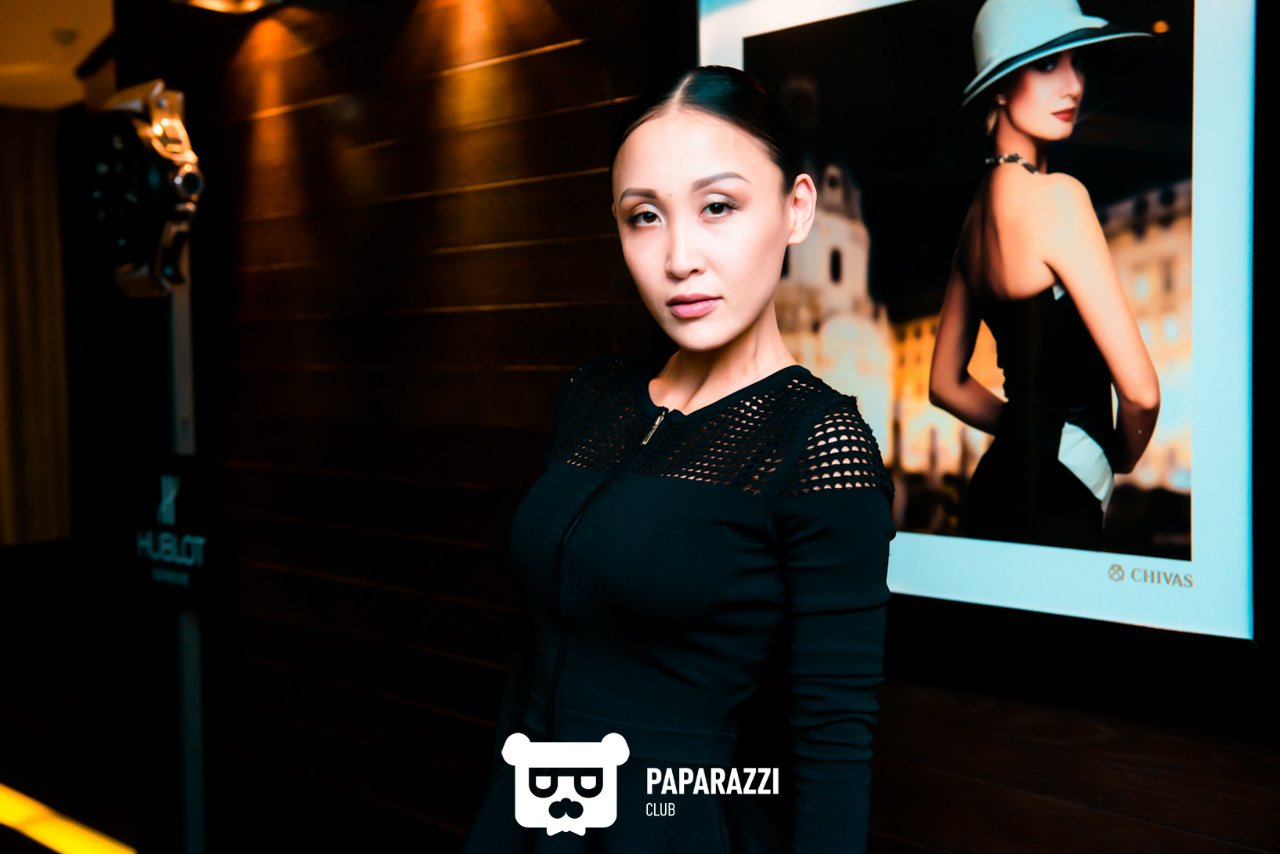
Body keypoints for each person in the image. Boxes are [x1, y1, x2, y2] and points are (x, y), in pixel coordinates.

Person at [459, 66, 895, 852]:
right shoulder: (593, 396)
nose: (679, 257)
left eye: (718, 207)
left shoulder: (818, 441)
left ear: (796, 209)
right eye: (645, 217)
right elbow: (535, 657)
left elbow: (835, 739)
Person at [929, 0, 1161, 550]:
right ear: (999, 88)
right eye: (1047, 64)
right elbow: (1142, 394)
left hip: (994, 489)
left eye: (1077, 63)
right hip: (1060, 494)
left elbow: (944, 385)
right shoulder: (1059, 198)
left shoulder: (973, 221)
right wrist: (1116, 455)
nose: (1074, 85)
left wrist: (1026, 433)